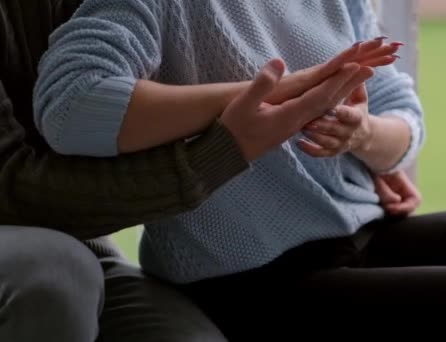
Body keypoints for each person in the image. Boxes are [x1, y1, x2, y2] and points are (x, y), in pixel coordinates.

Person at [34, 0, 446, 341]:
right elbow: (70, 105)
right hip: (243, 278)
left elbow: (401, 120)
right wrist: (274, 98)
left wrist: (362, 135)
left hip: (354, 234)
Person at [0, 1, 396, 341]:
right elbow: (25, 172)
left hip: (82, 238)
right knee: (57, 272)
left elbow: (393, 103)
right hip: (31, 229)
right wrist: (231, 141)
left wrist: (364, 142)